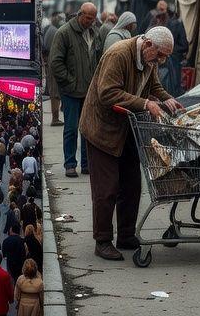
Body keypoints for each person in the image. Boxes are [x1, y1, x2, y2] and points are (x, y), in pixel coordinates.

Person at [77, 26, 182, 259]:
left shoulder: (149, 60)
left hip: (126, 129)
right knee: (107, 189)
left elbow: (153, 86)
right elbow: (107, 93)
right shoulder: (118, 54)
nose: (162, 61)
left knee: (132, 185)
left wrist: (167, 99)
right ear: (147, 45)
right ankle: (102, 240)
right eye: (160, 55)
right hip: (102, 130)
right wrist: (145, 104)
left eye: (165, 57)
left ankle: (125, 234)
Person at [49, 2, 102, 178]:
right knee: (71, 128)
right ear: (80, 14)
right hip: (71, 91)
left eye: (93, 19)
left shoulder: (94, 32)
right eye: (88, 18)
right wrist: (69, 82)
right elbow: (55, 63)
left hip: (88, 91)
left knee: (87, 130)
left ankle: (87, 164)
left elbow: (98, 58)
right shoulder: (64, 33)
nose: (90, 22)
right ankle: (70, 164)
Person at [42, 14, 65, 127]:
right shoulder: (55, 31)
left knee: (54, 93)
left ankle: (55, 118)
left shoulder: (51, 29)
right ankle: (55, 119)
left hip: (51, 63)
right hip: (55, 65)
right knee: (55, 93)